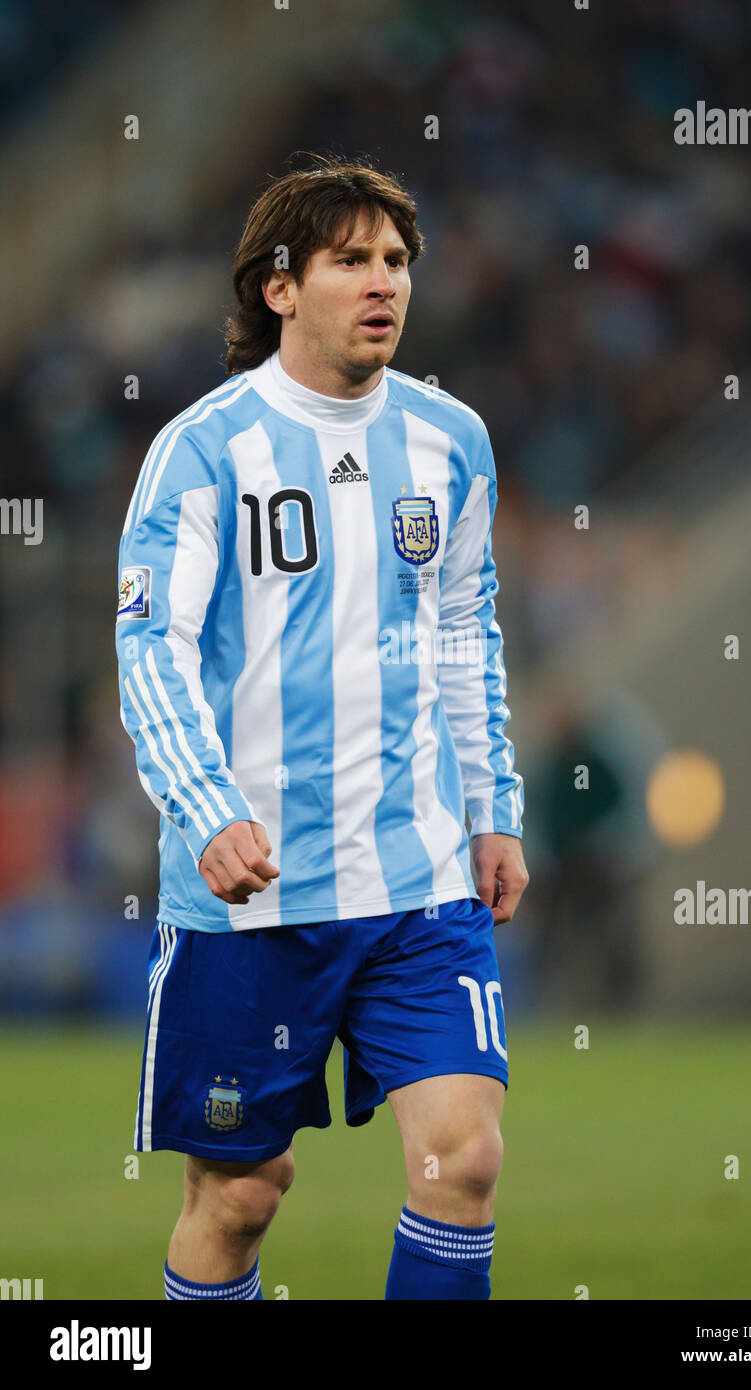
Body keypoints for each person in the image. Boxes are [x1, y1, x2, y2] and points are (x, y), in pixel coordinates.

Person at [115, 153, 527, 1301]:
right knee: (239, 1198)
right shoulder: (202, 449)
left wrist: (492, 812)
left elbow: (463, 634)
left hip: (418, 882)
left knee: (466, 1158)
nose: (382, 282)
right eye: (350, 260)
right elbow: (150, 652)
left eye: (395, 260)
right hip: (255, 895)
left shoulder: (451, 442)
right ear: (280, 287)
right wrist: (208, 813)